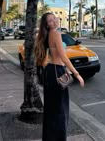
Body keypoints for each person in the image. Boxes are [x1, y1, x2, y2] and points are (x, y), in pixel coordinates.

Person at [35, 12, 84, 141]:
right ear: (47, 25)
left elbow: (52, 55)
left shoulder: (47, 35)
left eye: (54, 18)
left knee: (51, 109)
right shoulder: (56, 34)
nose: (54, 21)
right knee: (60, 110)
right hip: (57, 71)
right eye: (50, 20)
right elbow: (63, 57)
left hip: (50, 71)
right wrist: (77, 74)